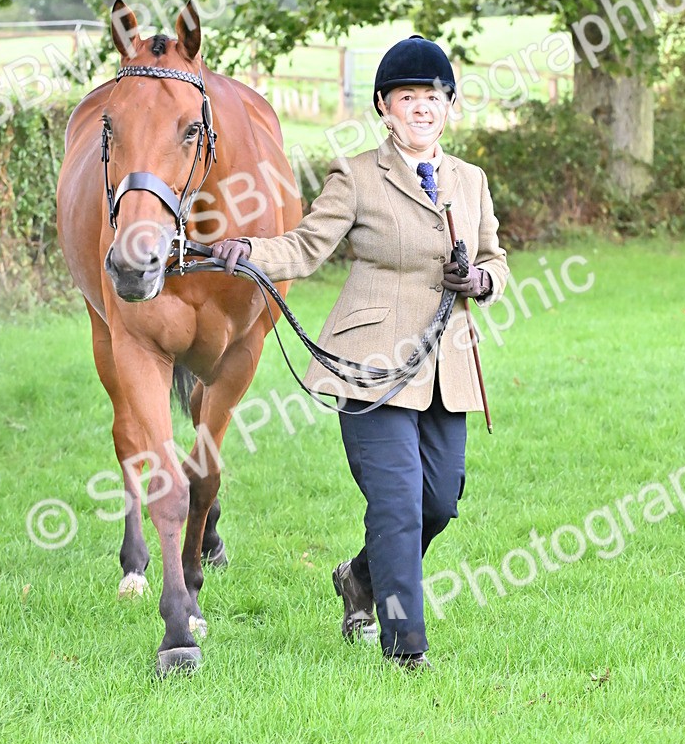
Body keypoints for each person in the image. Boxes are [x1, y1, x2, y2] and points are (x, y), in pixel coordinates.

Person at [212, 35, 508, 670]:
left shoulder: (471, 181)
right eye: (408, 97)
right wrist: (249, 252)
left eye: (433, 97)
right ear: (384, 106)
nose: (421, 108)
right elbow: (304, 246)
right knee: (397, 503)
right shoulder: (356, 174)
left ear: (449, 106)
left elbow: (494, 259)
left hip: (444, 365)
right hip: (370, 364)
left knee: (439, 504)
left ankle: (361, 580)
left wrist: (481, 280)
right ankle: (406, 646)